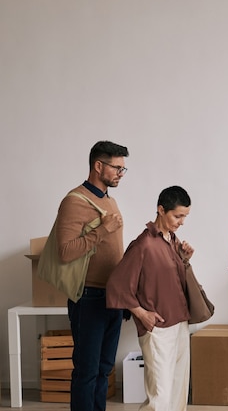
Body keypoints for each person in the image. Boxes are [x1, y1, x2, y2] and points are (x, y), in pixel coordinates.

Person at [55, 140, 129, 411]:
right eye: (117, 168)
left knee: (103, 369)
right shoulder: (75, 201)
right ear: (98, 165)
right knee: (86, 371)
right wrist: (102, 230)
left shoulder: (110, 201)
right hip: (88, 297)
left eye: (123, 169)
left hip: (113, 297)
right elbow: (64, 252)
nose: (121, 173)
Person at [106, 186, 193, 411]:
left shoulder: (172, 241)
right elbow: (117, 285)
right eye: (178, 216)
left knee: (177, 392)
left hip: (180, 323)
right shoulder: (143, 244)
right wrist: (142, 314)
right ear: (161, 210)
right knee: (160, 397)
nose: (182, 221)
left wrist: (185, 259)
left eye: (185, 216)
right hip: (158, 330)